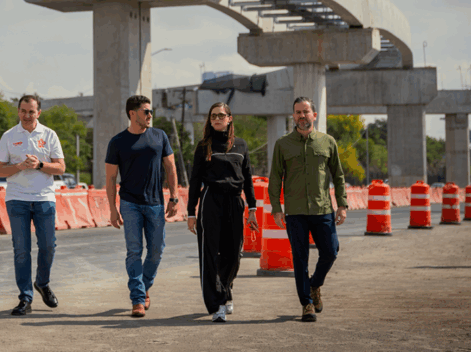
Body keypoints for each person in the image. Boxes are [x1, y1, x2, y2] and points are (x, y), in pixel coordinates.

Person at [268, 96, 348, 322]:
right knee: (300, 258)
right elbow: (275, 178)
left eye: (306, 111)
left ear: (314, 114)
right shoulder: (283, 144)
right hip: (295, 212)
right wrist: (276, 208)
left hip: (323, 209)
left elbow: (338, 176)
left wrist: (341, 204)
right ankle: (307, 304)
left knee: (331, 251)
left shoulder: (327, 142)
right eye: (298, 112)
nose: (302, 116)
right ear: (293, 116)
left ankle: (314, 285)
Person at [105, 95, 178, 318]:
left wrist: (174, 197)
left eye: (150, 112)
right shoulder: (117, 142)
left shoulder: (159, 136)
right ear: (132, 113)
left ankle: (144, 286)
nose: (150, 115)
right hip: (129, 203)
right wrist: (112, 209)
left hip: (156, 203)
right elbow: (110, 178)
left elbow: (171, 167)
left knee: (157, 250)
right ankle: (137, 298)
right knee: (134, 251)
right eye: (146, 111)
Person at [0, 94, 65, 316]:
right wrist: (20, 166)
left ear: (38, 113)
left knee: (48, 246)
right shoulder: (9, 136)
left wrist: (41, 164)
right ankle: (25, 298)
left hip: (44, 198)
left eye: (31, 111)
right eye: (23, 111)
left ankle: (42, 283)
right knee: (21, 250)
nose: (26, 115)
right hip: (17, 199)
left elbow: (61, 168)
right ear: (18, 112)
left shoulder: (49, 135)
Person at [187, 102, 258, 322]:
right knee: (210, 254)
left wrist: (252, 209)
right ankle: (217, 303)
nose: (217, 119)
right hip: (211, 201)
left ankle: (225, 289)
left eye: (221, 115)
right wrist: (191, 212)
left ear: (229, 118)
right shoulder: (203, 146)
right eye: (213, 116)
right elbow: (195, 181)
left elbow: (248, 180)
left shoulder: (241, 145)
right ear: (210, 120)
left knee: (234, 254)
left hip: (236, 203)